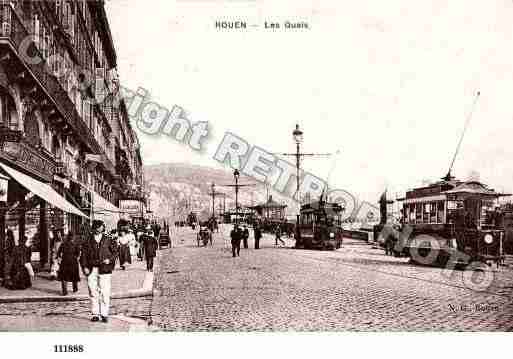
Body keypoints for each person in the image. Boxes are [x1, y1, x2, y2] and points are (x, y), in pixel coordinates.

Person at [80, 220, 118, 323]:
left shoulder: (108, 240)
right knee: (92, 291)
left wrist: (109, 260)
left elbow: (115, 253)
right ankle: (95, 314)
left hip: (105, 269)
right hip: (92, 268)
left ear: (103, 228)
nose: (98, 229)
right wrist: (84, 267)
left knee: (105, 292)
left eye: (100, 227)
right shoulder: (88, 240)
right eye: (96, 227)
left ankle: (104, 314)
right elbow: (83, 255)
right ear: (93, 228)